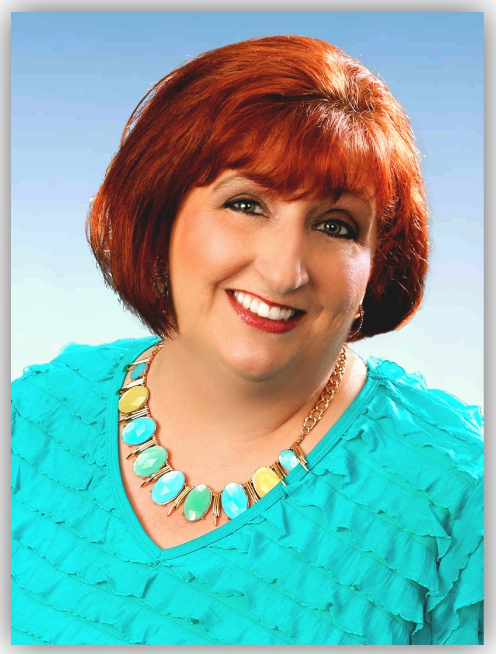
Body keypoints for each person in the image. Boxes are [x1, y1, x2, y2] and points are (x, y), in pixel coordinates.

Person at [11, 35, 483, 645]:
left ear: (376, 267)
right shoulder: (31, 419)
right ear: (159, 215)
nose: (285, 272)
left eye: (335, 225)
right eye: (246, 204)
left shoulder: (464, 501)